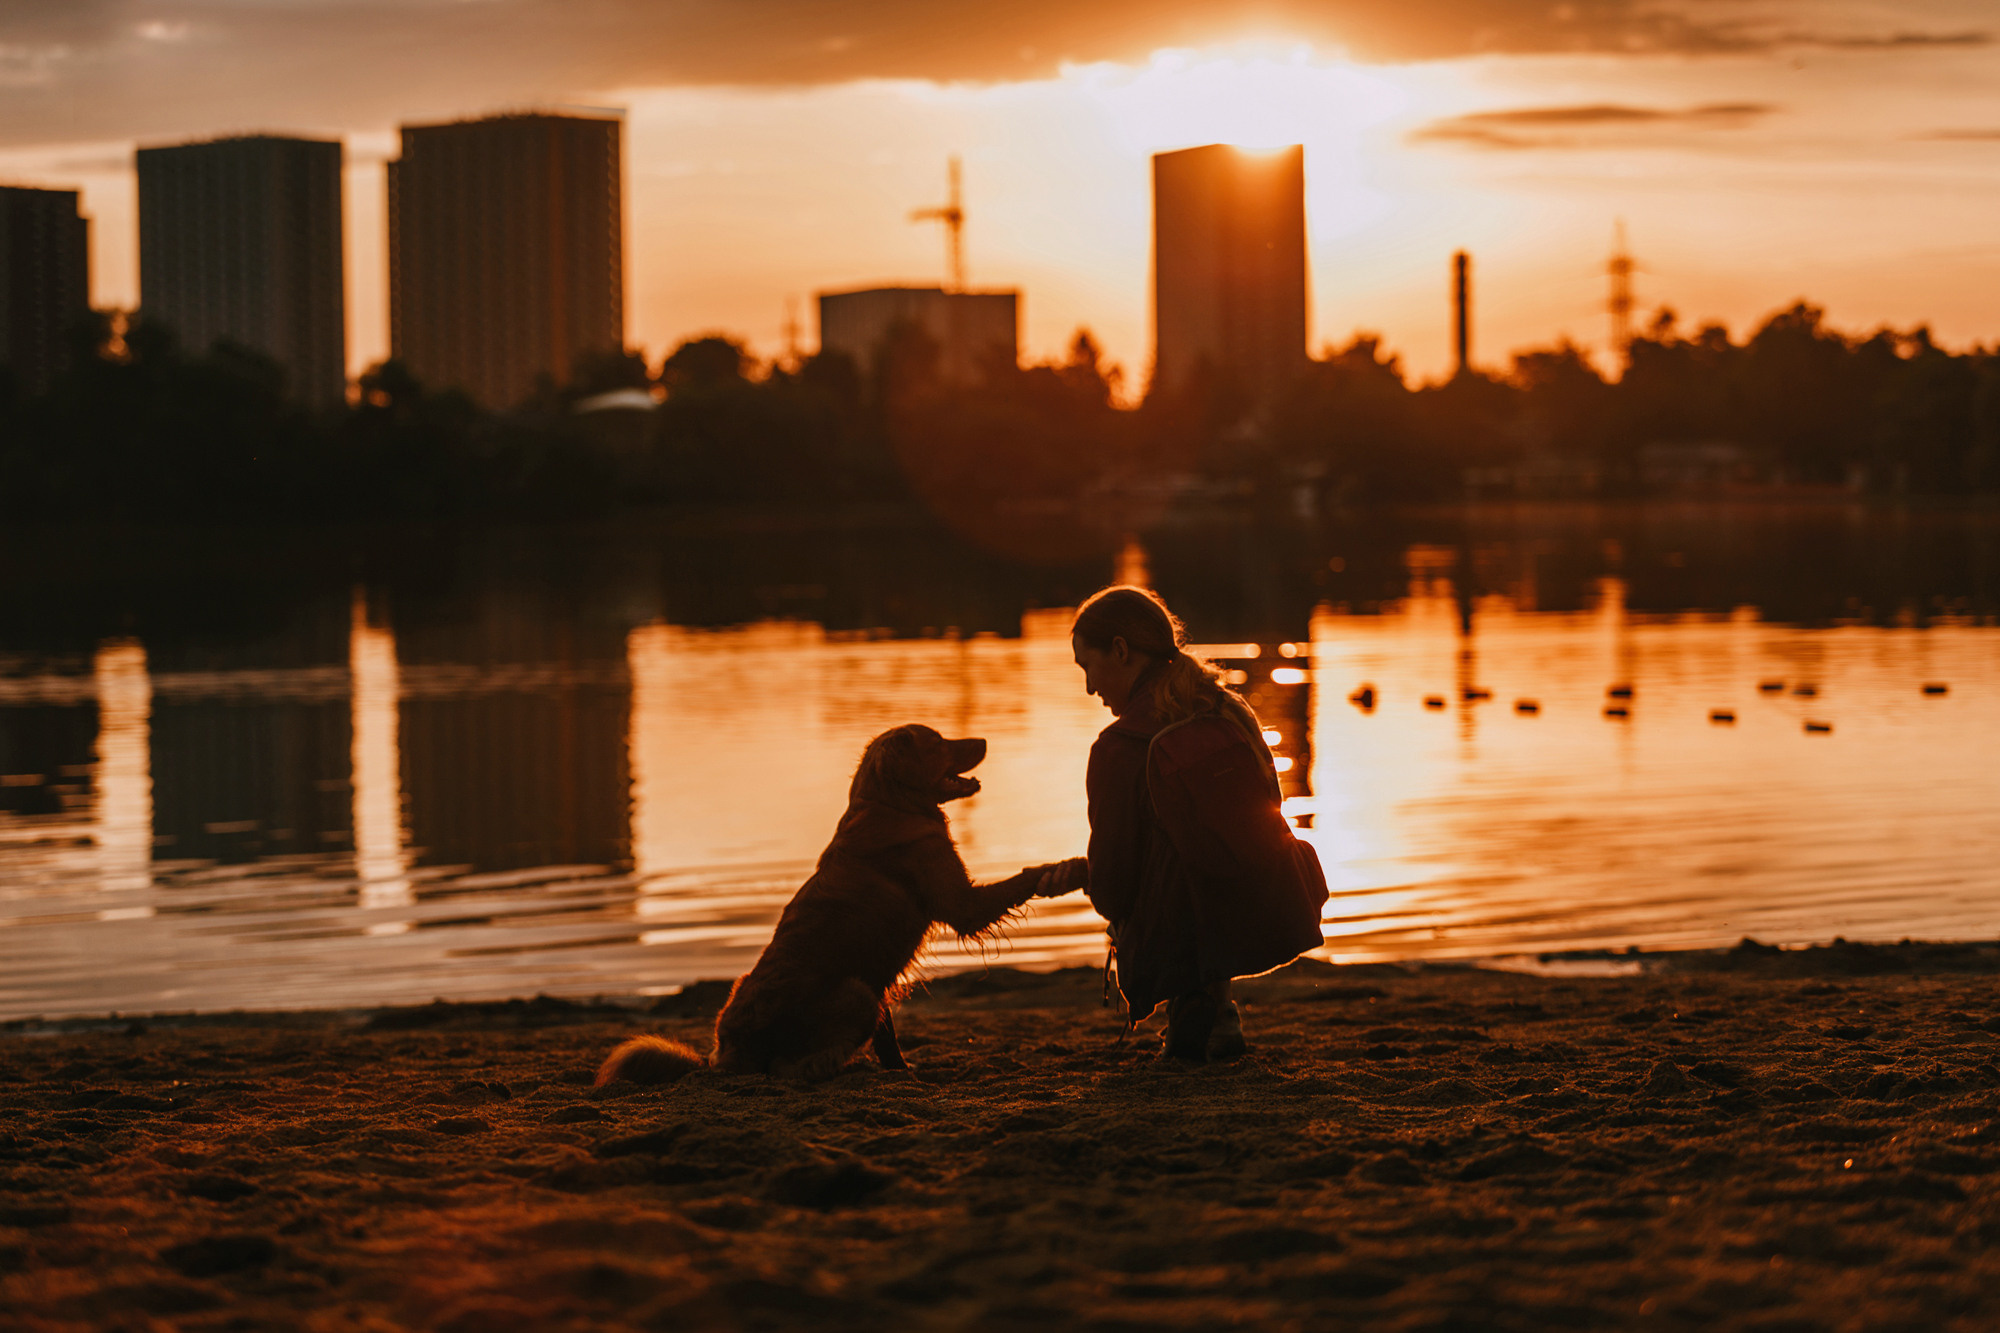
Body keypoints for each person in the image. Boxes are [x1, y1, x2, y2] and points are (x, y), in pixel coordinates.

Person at [1070, 585, 1328, 1062]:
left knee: (1135, 885)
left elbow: (1112, 883)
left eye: (1088, 667)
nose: (1089, 688)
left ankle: (1192, 1004)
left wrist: (1105, 902)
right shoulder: (1230, 710)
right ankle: (1216, 1004)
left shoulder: (1117, 747)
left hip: (1180, 928)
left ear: (1122, 651)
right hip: (1266, 908)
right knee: (1193, 858)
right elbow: (1271, 811)